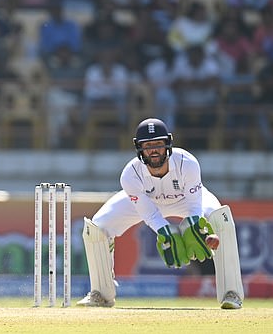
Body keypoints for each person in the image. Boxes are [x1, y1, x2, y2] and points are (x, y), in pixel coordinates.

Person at [77, 118, 244, 309]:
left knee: (221, 219)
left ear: (168, 144)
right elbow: (150, 215)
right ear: (139, 148)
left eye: (158, 144)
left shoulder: (187, 163)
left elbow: (194, 207)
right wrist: (165, 231)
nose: (154, 150)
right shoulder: (130, 175)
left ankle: (232, 294)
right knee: (96, 228)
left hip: (184, 200)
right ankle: (101, 293)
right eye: (148, 146)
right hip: (148, 201)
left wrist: (200, 230)